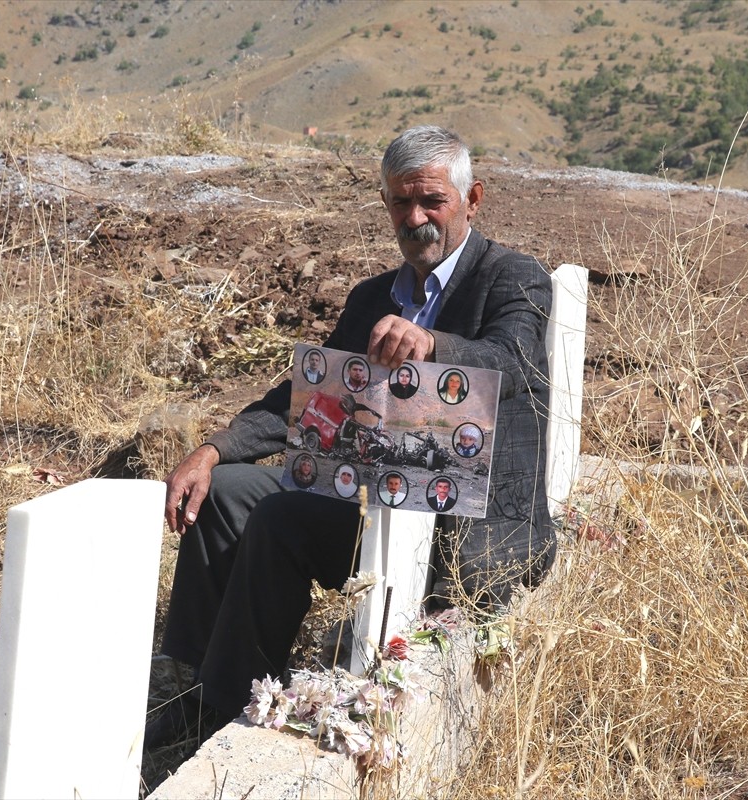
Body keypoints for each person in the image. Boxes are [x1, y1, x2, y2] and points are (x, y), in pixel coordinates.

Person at [154, 126, 555, 746]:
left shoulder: (511, 277)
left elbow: (514, 357)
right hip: (373, 495)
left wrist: (434, 345)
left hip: (466, 525)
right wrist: (212, 449)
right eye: (400, 201)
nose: (415, 217)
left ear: (473, 200)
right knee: (227, 494)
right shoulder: (373, 297)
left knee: (282, 518)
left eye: (432, 202)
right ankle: (191, 687)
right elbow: (306, 399)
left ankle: (234, 700)